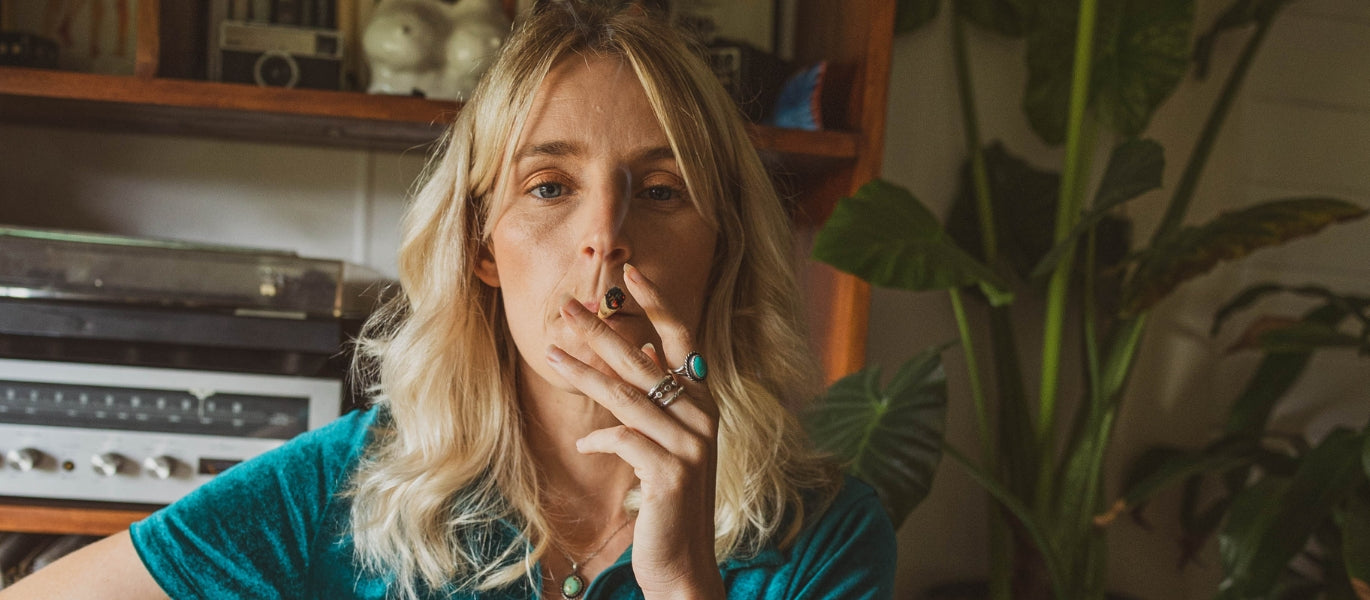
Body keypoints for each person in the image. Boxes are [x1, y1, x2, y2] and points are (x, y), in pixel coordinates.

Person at [0, 1, 896, 598]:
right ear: (481, 246)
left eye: (661, 191)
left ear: (724, 243)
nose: (607, 236)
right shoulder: (341, 489)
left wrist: (684, 582)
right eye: (549, 186)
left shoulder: (825, 536)